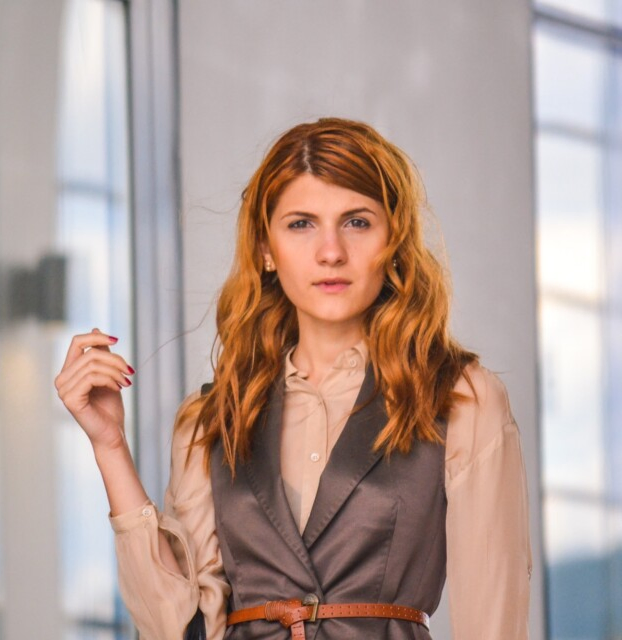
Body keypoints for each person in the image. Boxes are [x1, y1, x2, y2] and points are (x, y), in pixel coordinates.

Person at [55, 117, 532, 640]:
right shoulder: (212, 418)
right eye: (301, 224)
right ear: (265, 249)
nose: (331, 252)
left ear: (394, 241)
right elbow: (181, 630)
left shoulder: (461, 399)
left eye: (357, 222)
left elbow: (493, 620)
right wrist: (110, 447)